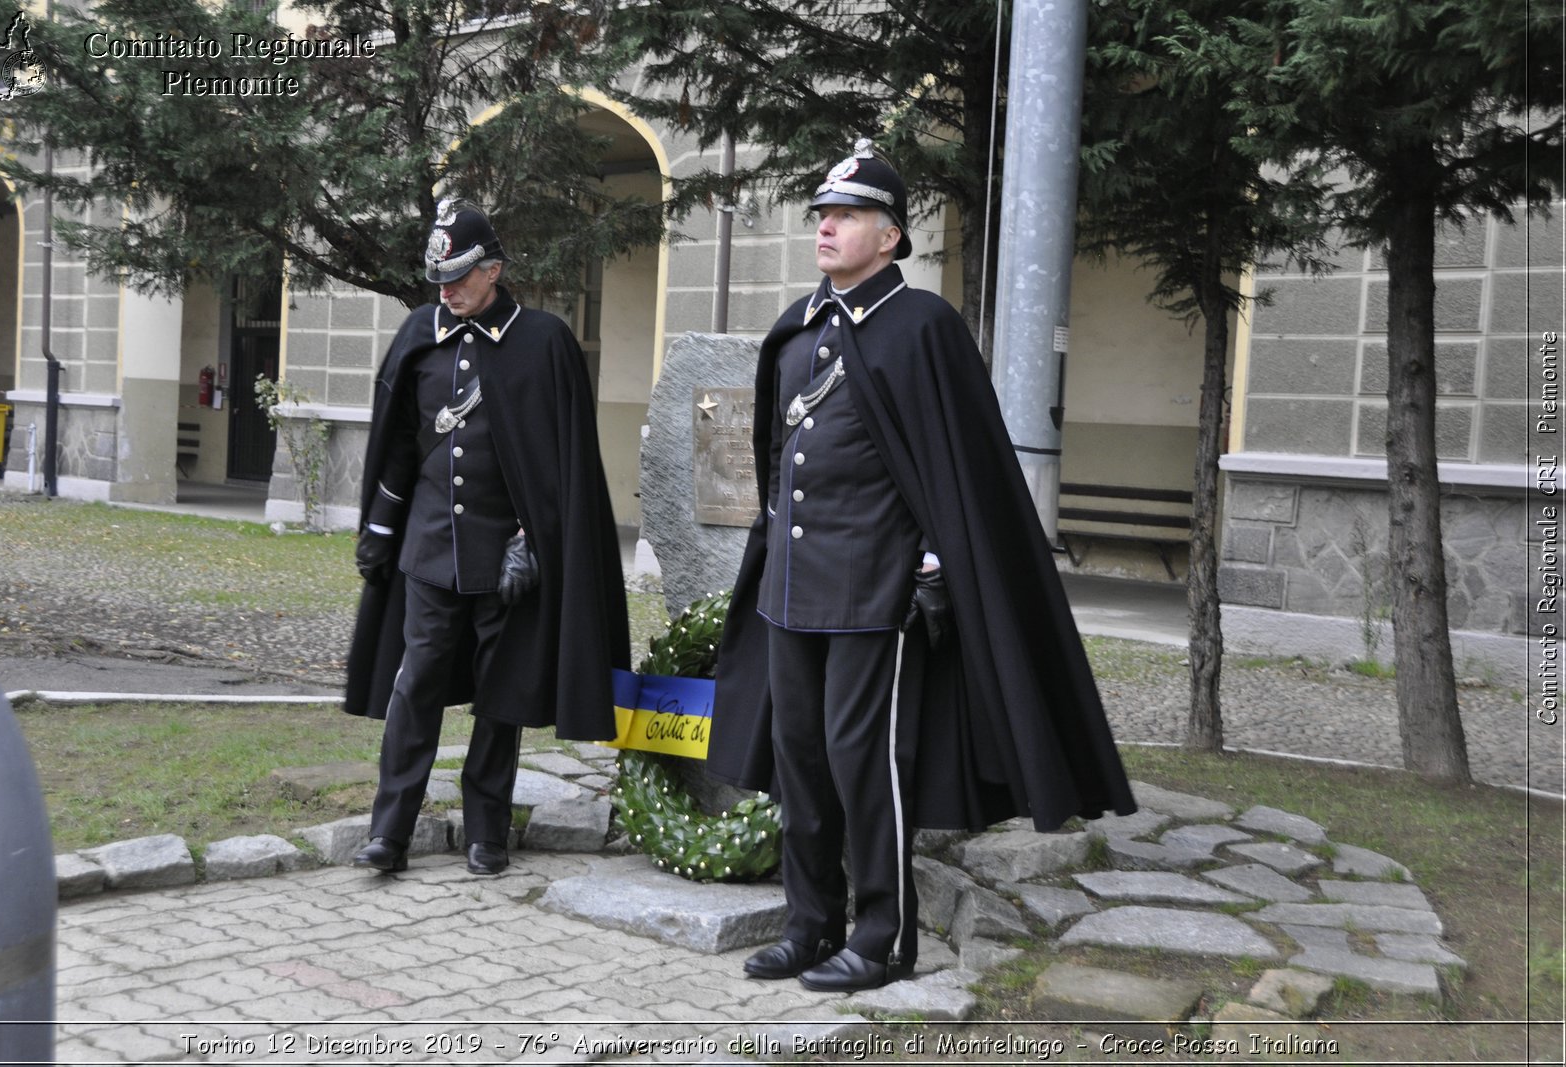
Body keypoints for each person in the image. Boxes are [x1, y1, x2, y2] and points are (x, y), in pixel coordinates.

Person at [708, 141, 1136, 993]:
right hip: (792, 587)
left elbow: (959, 470)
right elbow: (775, 454)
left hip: (875, 593)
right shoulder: (799, 326)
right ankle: (808, 921)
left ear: (892, 237)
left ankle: (882, 933)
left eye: (848, 215)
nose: (827, 226)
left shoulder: (923, 328)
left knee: (863, 760)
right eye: (822, 214)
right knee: (799, 755)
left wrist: (936, 562)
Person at [344, 199, 629, 877]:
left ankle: (486, 829)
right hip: (430, 551)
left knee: (501, 695)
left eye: (460, 277)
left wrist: (537, 537)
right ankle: (392, 829)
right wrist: (381, 530)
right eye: (438, 277)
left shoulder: (543, 341)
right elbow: (398, 449)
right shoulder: (420, 333)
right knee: (415, 688)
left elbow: (563, 464)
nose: (446, 289)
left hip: (510, 558)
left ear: (494, 270)